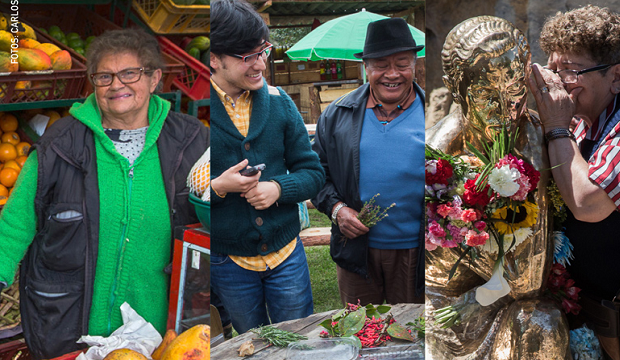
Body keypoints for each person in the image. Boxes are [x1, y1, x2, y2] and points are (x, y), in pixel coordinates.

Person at [0, 29, 209, 359]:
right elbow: (15, 222)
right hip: (72, 330)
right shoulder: (61, 144)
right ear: (92, 83)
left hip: (160, 335)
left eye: (130, 73)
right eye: (104, 76)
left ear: (154, 78)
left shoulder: (191, 140)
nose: (116, 85)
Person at [425, 16, 568, 358]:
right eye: (487, 93)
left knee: (542, 324)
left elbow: (529, 282)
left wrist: (532, 157)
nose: (506, 108)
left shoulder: (536, 136)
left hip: (517, 301)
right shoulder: (436, 164)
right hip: (451, 307)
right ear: (457, 89)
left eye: (516, 88)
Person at [528, 5, 620, 359]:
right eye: (553, 70)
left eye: (571, 71)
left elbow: (587, 203)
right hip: (596, 313)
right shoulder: (580, 120)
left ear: (616, 77)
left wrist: (555, 128)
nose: (558, 83)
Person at [209, 0, 325, 335]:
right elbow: (179, 193)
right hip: (230, 262)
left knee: (300, 338)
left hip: (286, 255)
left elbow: (313, 173)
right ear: (214, 59)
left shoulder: (279, 102)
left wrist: (278, 188)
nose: (261, 63)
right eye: (248, 56)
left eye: (264, 51)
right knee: (251, 342)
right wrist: (218, 187)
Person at [312, 18, 425, 306]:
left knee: (415, 337)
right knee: (362, 335)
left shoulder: (432, 113)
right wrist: (337, 210)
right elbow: (314, 173)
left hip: (418, 253)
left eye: (402, 64)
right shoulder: (336, 115)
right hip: (356, 251)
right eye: (380, 65)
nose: (392, 74)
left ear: (415, 65)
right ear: (366, 67)